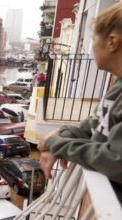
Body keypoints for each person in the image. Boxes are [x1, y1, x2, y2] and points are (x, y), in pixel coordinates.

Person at [38, 2, 122, 201]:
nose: (91, 45)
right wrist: (63, 135)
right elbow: (95, 124)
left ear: (112, 41)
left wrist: (55, 143)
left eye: (93, 38)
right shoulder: (118, 84)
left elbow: (116, 160)